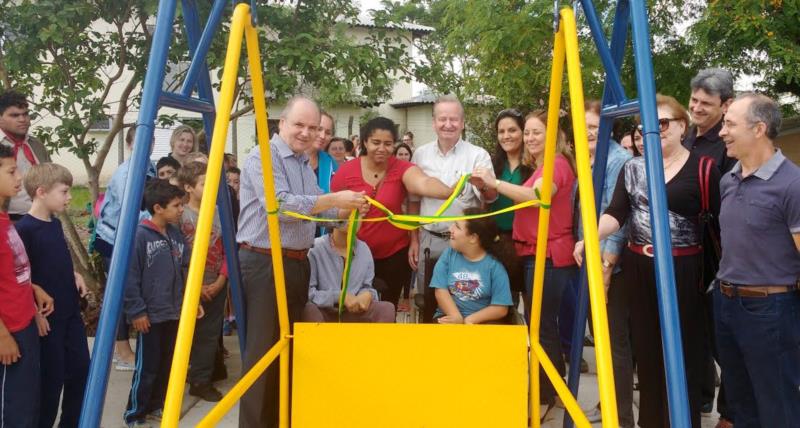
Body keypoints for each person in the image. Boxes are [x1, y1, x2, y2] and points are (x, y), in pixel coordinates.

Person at [574, 94, 719, 428]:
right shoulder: (632, 167)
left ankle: (684, 421)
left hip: (686, 269)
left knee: (684, 353)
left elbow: (718, 224)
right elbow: (616, 213)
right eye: (645, 127)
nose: (654, 131)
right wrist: (589, 238)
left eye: (663, 123)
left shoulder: (703, 168)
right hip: (640, 267)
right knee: (647, 351)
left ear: (682, 126)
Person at [236, 96, 368, 428]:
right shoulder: (262, 158)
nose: (307, 133)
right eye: (299, 125)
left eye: (314, 128)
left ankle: (280, 420)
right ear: (281, 124)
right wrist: (334, 199)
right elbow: (284, 207)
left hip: (296, 262)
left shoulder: (300, 162)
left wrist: (347, 209)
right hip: (266, 263)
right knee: (263, 355)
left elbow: (315, 213)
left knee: (287, 349)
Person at [472, 109, 577, 407]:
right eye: (528, 132)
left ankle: (546, 390)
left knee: (542, 326)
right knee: (540, 325)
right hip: (533, 252)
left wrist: (494, 183)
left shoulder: (555, 164)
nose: (530, 138)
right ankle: (548, 387)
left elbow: (538, 196)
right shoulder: (544, 164)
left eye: (536, 132)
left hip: (548, 254)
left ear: (553, 135)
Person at [714, 93, 800, 428]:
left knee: (778, 404)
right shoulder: (728, 180)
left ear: (759, 128)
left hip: (772, 312)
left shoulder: (793, 185)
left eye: (730, 123)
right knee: (740, 404)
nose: (723, 131)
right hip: (726, 305)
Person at [331, 117, 452, 307]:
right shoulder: (346, 171)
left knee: (388, 308)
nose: (382, 148)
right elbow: (332, 213)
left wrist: (450, 191)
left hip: (394, 255)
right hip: (354, 254)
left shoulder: (401, 167)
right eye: (376, 142)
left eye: (388, 144)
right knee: (355, 308)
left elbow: (423, 183)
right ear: (365, 142)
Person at [408, 95, 497, 323]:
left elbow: (491, 197)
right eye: (442, 119)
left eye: (454, 119)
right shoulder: (420, 155)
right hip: (430, 239)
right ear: (433, 122)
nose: (448, 124)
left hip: (467, 243)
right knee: (427, 300)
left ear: (463, 122)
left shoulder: (478, 155)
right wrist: (414, 240)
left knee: (467, 300)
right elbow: (414, 201)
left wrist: (484, 186)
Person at [16, 163, 90, 427]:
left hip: (70, 312)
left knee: (82, 369)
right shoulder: (24, 230)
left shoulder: (55, 224)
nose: (70, 197)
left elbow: (57, 259)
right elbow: (22, 277)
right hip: (48, 320)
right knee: (51, 379)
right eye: (65, 191)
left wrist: (74, 274)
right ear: (41, 192)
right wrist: (34, 314)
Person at [574, 101, 634, 427]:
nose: (587, 133)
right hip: (591, 255)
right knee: (603, 340)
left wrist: (607, 265)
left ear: (608, 128)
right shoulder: (589, 159)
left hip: (612, 263)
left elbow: (618, 215)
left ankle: (622, 417)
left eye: (594, 127)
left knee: (615, 343)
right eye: (583, 127)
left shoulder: (619, 160)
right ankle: (607, 402)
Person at [123, 179, 200, 426]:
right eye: (177, 205)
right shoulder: (139, 236)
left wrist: (192, 301)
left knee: (169, 364)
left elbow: (186, 269)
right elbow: (130, 277)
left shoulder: (176, 235)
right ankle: (135, 412)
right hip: (151, 315)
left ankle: (157, 406)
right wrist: (137, 311)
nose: (181, 210)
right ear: (158, 207)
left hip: (175, 311)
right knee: (148, 368)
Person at [0, 144, 54, 427]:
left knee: (26, 403)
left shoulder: (5, 219)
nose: (19, 176)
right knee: (13, 410)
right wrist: (2, 336)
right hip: (8, 332)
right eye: (11, 171)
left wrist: (32, 289)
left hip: (23, 325)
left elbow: (10, 270)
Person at [95, 125, 156, 371]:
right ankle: (121, 350)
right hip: (114, 240)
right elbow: (133, 210)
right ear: (131, 144)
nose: (147, 145)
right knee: (118, 294)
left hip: (134, 238)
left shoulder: (149, 167)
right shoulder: (125, 174)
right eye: (141, 141)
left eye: (150, 141)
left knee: (133, 290)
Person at [176, 162, 228, 402]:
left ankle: (201, 380)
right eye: (204, 184)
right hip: (189, 284)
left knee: (209, 333)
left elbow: (229, 248)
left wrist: (221, 280)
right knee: (187, 334)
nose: (211, 188)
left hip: (215, 281)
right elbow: (176, 255)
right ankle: (188, 377)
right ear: (188, 187)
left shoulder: (221, 211)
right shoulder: (180, 215)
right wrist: (192, 287)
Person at [301, 209, 395, 323]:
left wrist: (367, 295)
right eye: (346, 213)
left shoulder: (364, 249)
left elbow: (367, 286)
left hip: (355, 313)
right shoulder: (315, 248)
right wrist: (339, 297)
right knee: (309, 310)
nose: (351, 219)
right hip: (325, 311)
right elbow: (309, 293)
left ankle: (378, 341)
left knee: (387, 308)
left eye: (357, 215)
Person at [431, 207, 514, 324]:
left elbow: (501, 308)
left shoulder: (494, 266)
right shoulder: (449, 255)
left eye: (457, 226)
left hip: (482, 322)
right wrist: (456, 316)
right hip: (449, 316)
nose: (450, 229)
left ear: (473, 238)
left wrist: (471, 319)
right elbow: (440, 290)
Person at [487, 109, 532, 305]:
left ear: (523, 132)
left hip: (527, 241)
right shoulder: (492, 164)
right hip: (498, 240)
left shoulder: (534, 164)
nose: (506, 136)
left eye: (512, 130)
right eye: (501, 131)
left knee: (532, 299)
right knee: (503, 300)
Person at [0, 90, 51, 221]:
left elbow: (51, 178)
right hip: (7, 221)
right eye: (14, 115)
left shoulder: (36, 145)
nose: (22, 119)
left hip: (41, 218)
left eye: (25, 114)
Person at [685, 68, 736, 174]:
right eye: (694, 100)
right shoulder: (681, 135)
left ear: (726, 105)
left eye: (706, 103)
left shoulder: (732, 144)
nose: (697, 108)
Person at [308, 111, 338, 194]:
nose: (323, 136)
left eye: (328, 133)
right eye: (319, 129)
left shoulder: (331, 162)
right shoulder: (289, 158)